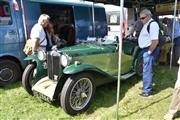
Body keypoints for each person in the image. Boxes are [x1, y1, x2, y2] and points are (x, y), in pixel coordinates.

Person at [138, 9, 160, 97]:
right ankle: (146, 86)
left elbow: (155, 41)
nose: (141, 20)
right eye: (140, 18)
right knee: (146, 69)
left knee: (147, 70)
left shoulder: (153, 24)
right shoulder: (147, 24)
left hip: (149, 49)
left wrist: (149, 52)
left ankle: (147, 91)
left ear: (148, 16)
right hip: (146, 49)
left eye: (142, 18)